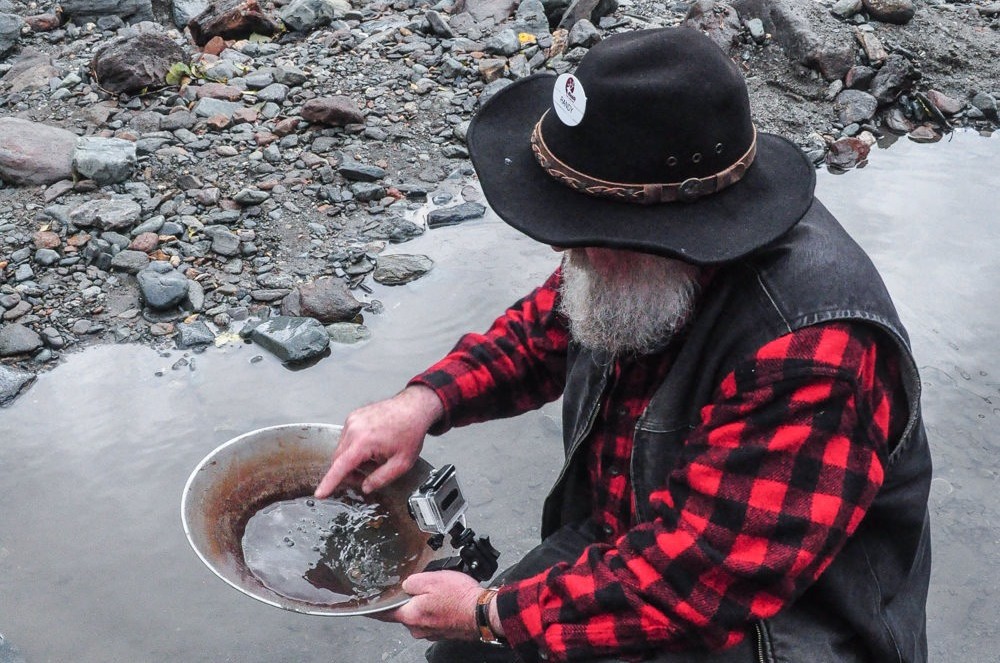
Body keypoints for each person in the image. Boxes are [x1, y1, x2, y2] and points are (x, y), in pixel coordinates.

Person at [314, 27, 932, 663]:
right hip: (630, 538)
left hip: (771, 627)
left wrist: (486, 613)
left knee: (485, 638)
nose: (564, 247)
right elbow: (548, 328)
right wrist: (422, 402)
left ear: (666, 232)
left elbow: (696, 581)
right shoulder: (636, 261)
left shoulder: (814, 352)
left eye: (585, 229)